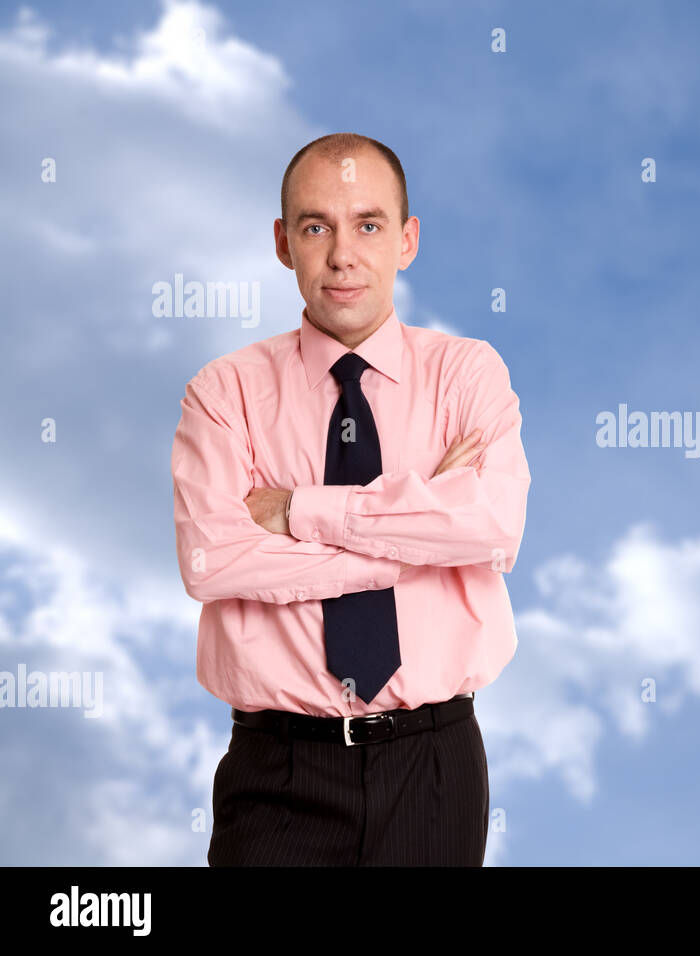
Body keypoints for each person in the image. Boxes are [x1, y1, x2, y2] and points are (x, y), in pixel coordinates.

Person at [170, 132, 530, 866]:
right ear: (282, 242)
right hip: (277, 769)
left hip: (433, 763)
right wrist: (415, 537)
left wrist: (301, 512)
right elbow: (212, 563)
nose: (342, 254)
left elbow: (492, 527)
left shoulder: (468, 375)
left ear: (408, 239)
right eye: (315, 227)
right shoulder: (224, 392)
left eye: (368, 225)